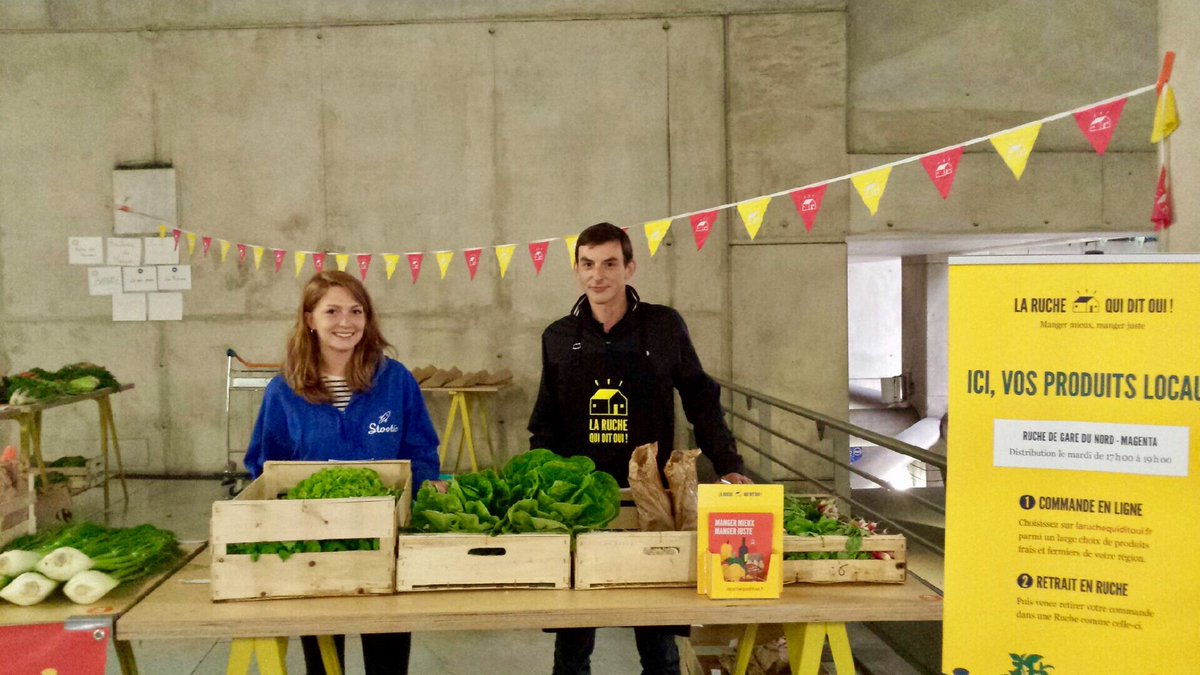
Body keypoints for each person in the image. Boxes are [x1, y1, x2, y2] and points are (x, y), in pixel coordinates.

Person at [528, 222, 750, 675]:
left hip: (654, 500)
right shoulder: (558, 336)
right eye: (588, 264)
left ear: (629, 268)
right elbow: (545, 421)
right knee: (574, 638)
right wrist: (543, 487)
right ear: (576, 270)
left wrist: (728, 464)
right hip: (581, 502)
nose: (598, 275)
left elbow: (701, 400)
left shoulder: (663, 327)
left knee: (658, 637)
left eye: (610, 263)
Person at [245, 270, 440, 675]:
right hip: (313, 546)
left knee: (387, 657)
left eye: (356, 311)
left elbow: (421, 451)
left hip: (385, 540)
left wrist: (412, 508)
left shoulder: (396, 381)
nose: (346, 322)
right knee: (323, 659)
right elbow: (264, 466)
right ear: (310, 319)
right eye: (332, 311)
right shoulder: (284, 391)